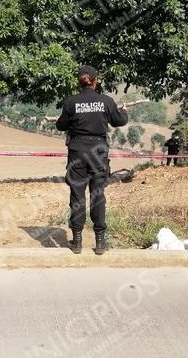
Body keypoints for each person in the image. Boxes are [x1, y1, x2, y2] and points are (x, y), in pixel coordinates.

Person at [55, 65, 128, 255]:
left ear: (79, 82)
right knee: (98, 195)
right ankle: (100, 243)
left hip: (77, 151)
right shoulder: (106, 101)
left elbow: (61, 125)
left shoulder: (71, 102)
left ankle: (77, 242)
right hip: (98, 153)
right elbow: (119, 121)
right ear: (96, 81)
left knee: (77, 195)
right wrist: (124, 111)